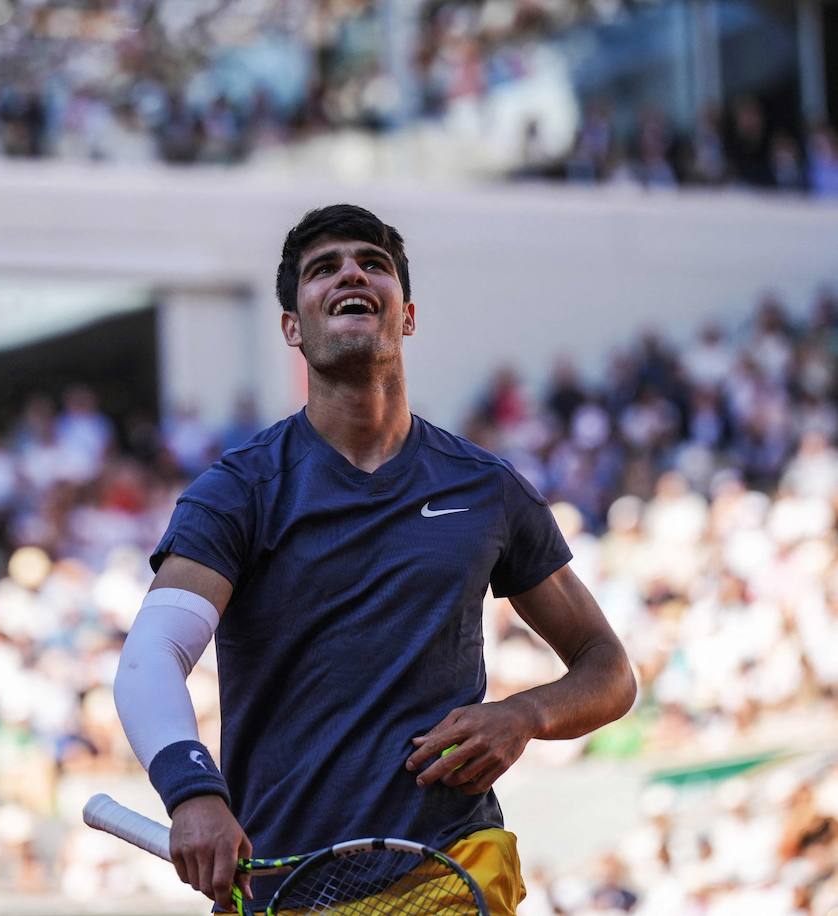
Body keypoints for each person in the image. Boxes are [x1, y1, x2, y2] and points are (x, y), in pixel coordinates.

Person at [113, 204, 637, 914]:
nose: (350, 273)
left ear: (407, 315)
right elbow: (151, 656)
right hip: (282, 887)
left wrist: (525, 715)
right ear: (293, 329)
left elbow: (608, 668)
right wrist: (193, 792)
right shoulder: (239, 491)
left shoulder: (486, 488)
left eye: (372, 263)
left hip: (450, 869)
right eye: (323, 268)